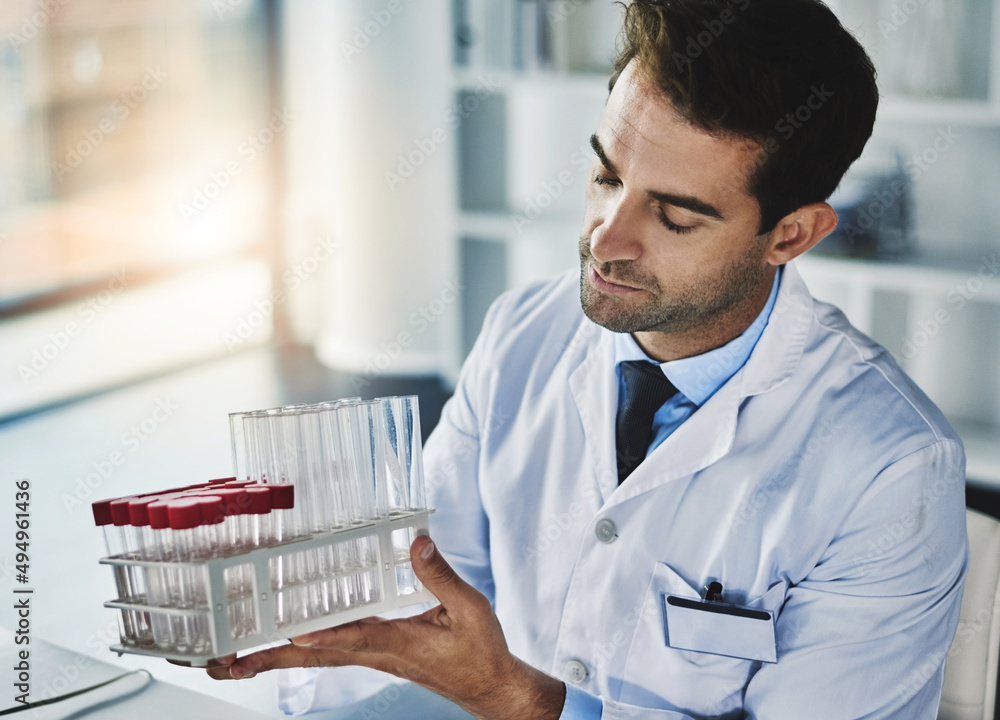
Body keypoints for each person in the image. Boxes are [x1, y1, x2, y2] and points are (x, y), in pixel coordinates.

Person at [207, 1, 968, 717]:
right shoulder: (521, 336)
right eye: (607, 176)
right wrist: (299, 632)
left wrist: (525, 703)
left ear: (791, 235)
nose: (606, 239)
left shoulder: (890, 467)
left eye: (672, 216)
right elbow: (435, 599)